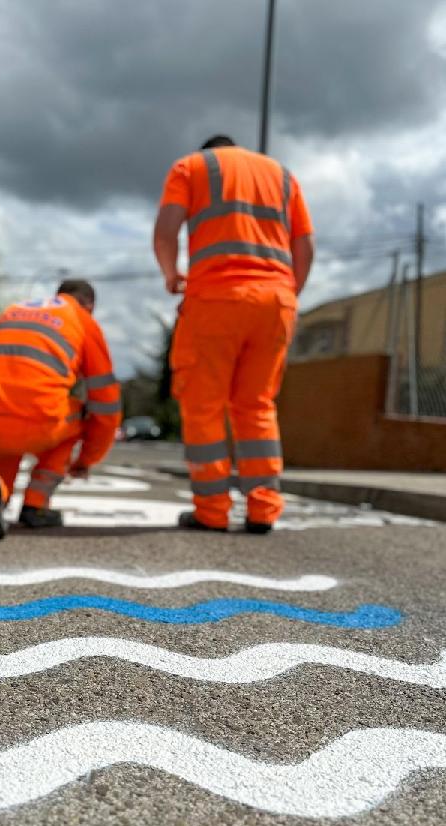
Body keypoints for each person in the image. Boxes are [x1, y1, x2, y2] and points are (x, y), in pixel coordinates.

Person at [153, 135, 314, 533]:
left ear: (209, 150)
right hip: (275, 301)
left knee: (203, 404)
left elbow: (166, 231)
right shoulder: (283, 176)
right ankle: (263, 508)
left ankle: (212, 510)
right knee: (256, 405)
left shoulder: (190, 167)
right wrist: (288, 294)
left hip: (215, 299)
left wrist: (172, 274)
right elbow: (305, 245)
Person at [0, 279, 121, 540]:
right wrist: (87, 459)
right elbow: (106, 403)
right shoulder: (82, 319)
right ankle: (36, 505)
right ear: (89, 305)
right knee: (77, 415)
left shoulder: (13, 310)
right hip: (38, 422)